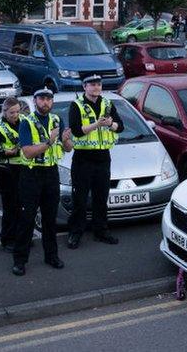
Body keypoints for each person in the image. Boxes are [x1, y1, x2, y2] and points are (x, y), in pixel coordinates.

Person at [13, 89, 73, 275]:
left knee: (50, 218)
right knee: (27, 219)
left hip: (51, 173)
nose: (45, 102)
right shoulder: (26, 122)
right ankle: (20, 260)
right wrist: (49, 141)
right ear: (35, 100)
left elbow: (68, 148)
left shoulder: (57, 120)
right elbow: (27, 152)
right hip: (31, 174)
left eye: (48, 99)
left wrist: (65, 140)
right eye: (42, 99)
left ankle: (52, 256)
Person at [67, 75, 123, 249]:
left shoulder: (107, 103)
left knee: (101, 198)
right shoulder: (77, 105)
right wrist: (96, 125)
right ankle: (75, 233)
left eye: (98, 84)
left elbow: (120, 126)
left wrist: (110, 123)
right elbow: (76, 131)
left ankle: (101, 231)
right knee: (80, 199)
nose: (96, 87)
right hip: (83, 158)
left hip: (103, 158)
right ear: (85, 87)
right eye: (92, 85)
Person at [0, 97, 24, 252]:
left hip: (24, 168)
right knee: (10, 207)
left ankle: (21, 236)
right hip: (7, 171)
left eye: (17, 111)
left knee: (23, 206)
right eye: (11, 112)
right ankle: (8, 239)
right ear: (5, 112)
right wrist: (6, 153)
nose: (15, 115)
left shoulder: (25, 122)